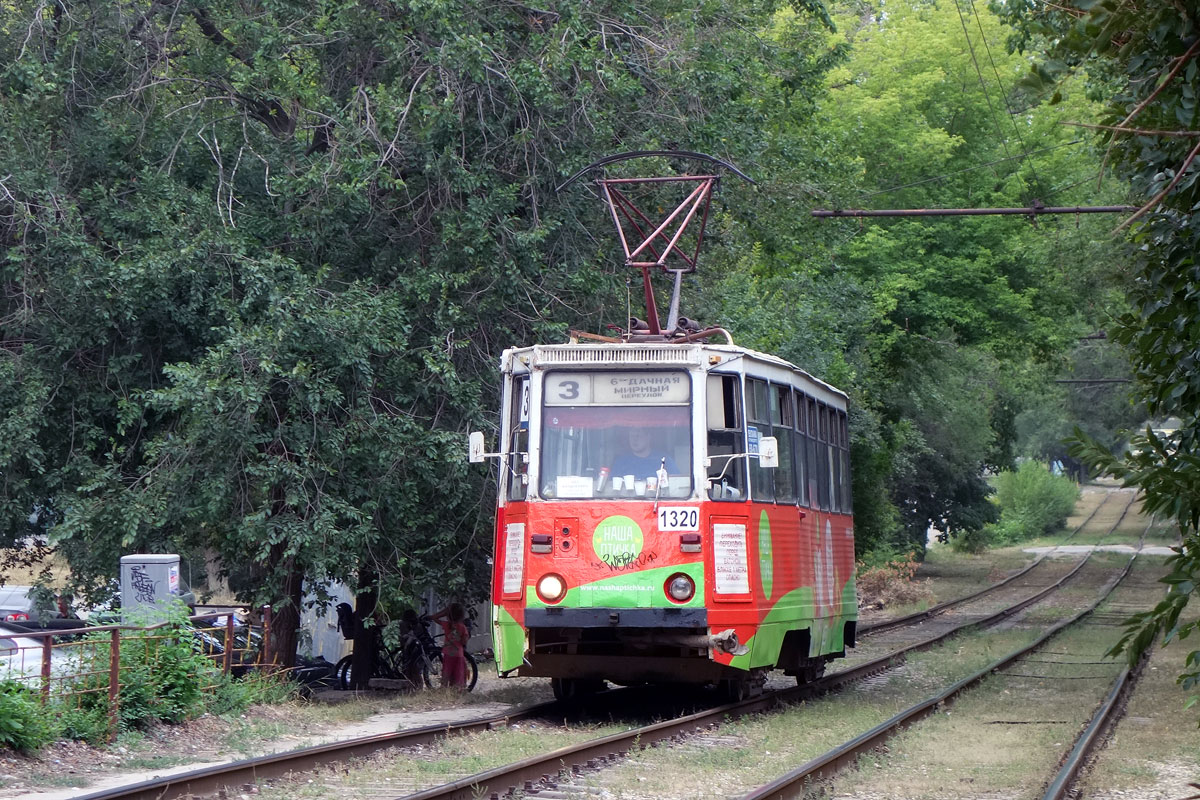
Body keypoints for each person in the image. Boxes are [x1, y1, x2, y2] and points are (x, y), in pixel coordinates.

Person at [610, 426, 678, 480]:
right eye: (632, 436)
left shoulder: (664, 460)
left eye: (638, 436)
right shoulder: (621, 462)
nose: (634, 440)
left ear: (648, 437)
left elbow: (676, 482)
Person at [430, 602, 469, 689]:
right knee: (458, 673)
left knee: (446, 673)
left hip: (448, 654)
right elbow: (464, 641)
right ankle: (456, 690)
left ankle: (444, 689)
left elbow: (435, 618)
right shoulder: (462, 627)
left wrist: (445, 612)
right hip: (458, 654)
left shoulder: (447, 625)